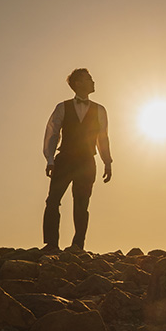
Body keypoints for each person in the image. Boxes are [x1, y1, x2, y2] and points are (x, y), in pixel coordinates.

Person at [41, 68, 113, 252]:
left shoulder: (100, 110)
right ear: (78, 83)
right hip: (64, 158)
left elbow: (102, 138)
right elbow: (52, 133)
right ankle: (51, 244)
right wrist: (50, 159)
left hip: (87, 161)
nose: (93, 81)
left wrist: (107, 161)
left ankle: (78, 246)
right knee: (53, 200)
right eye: (89, 78)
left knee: (82, 203)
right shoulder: (62, 107)